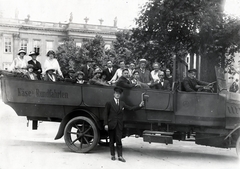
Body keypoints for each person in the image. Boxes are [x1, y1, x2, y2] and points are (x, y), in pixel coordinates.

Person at [103, 86, 144, 162]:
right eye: (116, 93)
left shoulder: (122, 103)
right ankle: (112, 155)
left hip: (119, 125)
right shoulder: (109, 103)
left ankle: (120, 156)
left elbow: (130, 108)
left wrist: (139, 106)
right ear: (114, 94)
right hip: (111, 124)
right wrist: (106, 124)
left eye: (119, 94)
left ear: (120, 95)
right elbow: (105, 114)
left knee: (119, 140)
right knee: (111, 140)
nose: (117, 95)